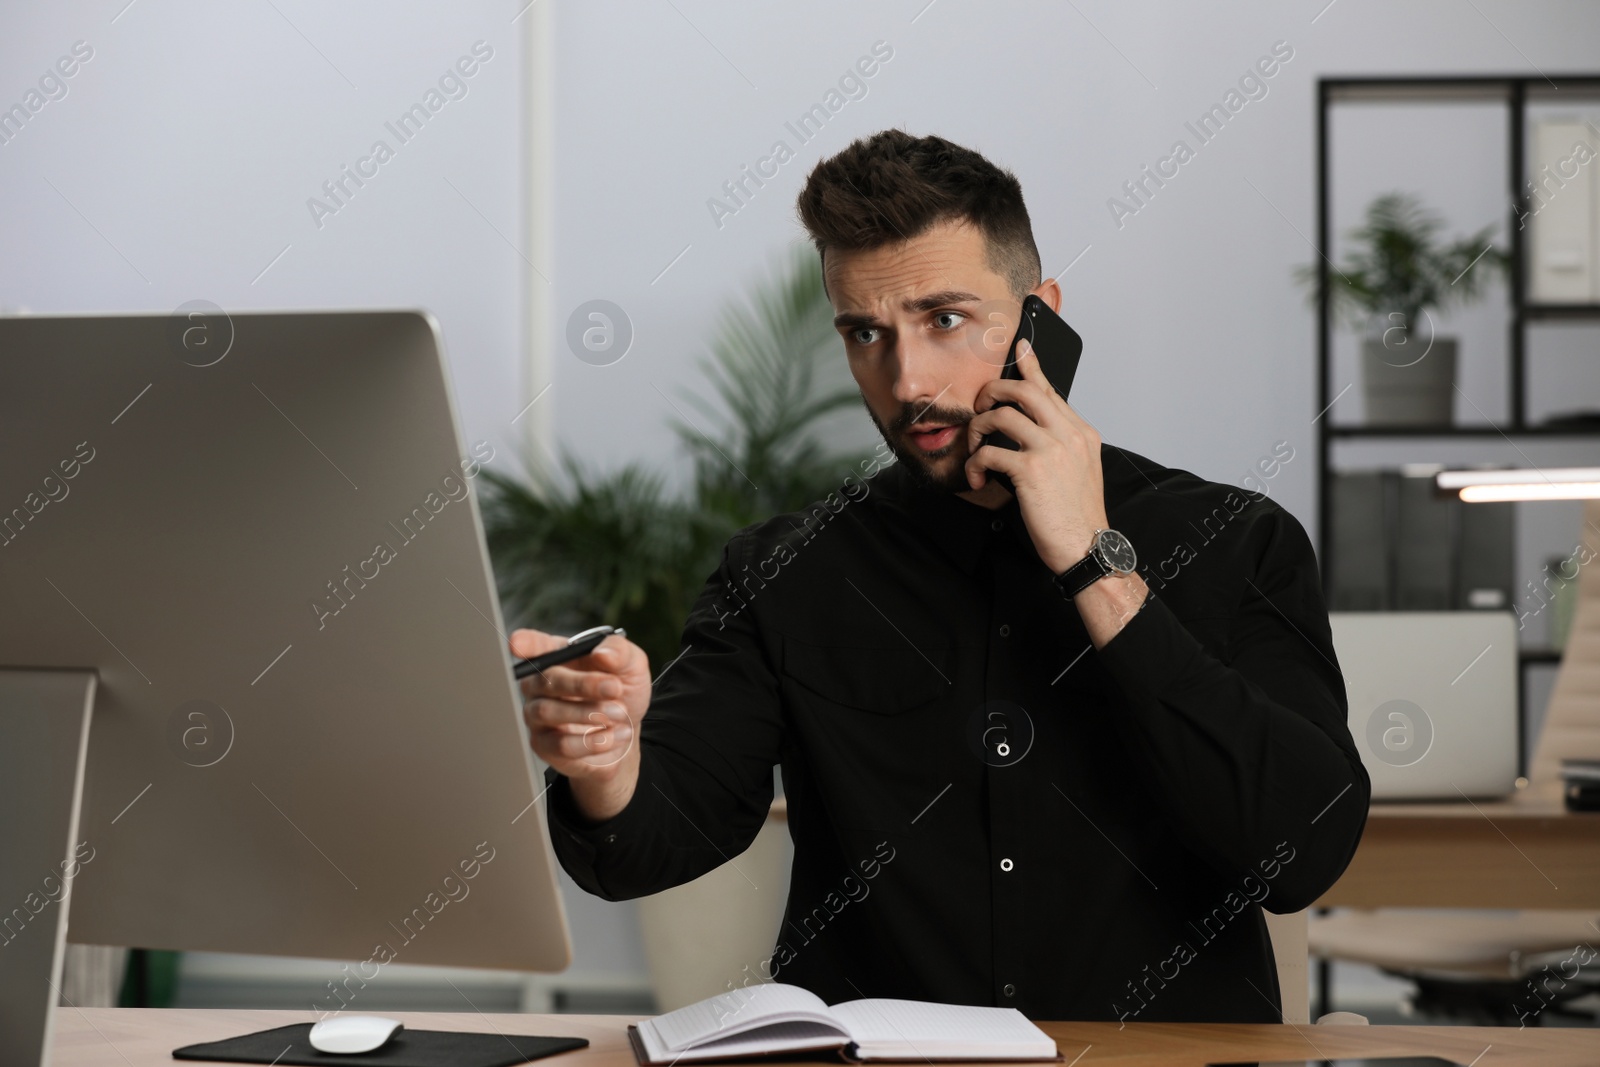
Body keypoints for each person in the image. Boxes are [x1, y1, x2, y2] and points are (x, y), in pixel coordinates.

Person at [511, 129, 1369, 1022]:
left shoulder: (1237, 541)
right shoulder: (787, 574)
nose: (907, 377)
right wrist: (605, 764)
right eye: (865, 332)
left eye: (944, 319)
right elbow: (647, 844)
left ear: (1043, 316)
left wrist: (1095, 564)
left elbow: (1303, 853)